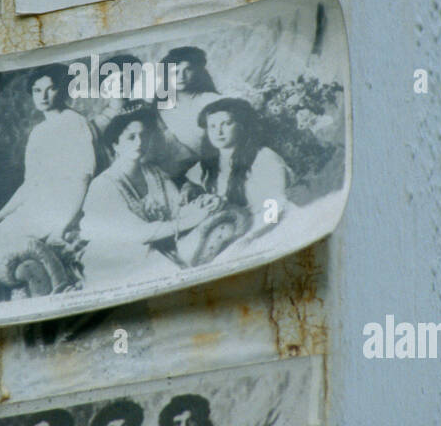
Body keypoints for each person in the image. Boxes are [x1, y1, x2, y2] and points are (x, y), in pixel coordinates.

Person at [0, 64, 96, 297]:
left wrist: (63, 225)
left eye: (50, 89)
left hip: (61, 209)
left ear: (62, 90)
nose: (43, 96)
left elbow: (82, 178)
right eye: (37, 90)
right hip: (34, 208)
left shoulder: (74, 122)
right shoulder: (38, 132)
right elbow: (29, 184)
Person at [78, 108, 221, 286]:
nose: (139, 142)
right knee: (167, 271)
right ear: (115, 145)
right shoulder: (103, 186)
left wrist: (200, 206)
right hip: (118, 253)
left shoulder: (153, 172)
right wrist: (189, 221)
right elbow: (137, 234)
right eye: (131, 137)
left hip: (157, 241)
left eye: (144, 136)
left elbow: (175, 211)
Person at [187, 96, 289, 232]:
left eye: (227, 123)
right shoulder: (208, 163)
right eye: (212, 126)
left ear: (242, 126)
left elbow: (277, 202)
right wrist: (188, 190)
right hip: (231, 228)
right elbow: (191, 183)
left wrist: (259, 231)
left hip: (265, 225)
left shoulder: (264, 157)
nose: (218, 132)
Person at [154, 45, 222, 180]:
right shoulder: (161, 109)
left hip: (214, 169)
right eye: (175, 72)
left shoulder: (213, 101)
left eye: (188, 70)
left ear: (197, 71)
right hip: (176, 174)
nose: (181, 77)